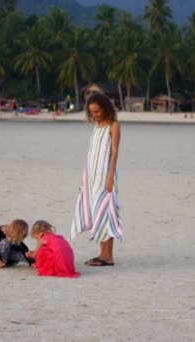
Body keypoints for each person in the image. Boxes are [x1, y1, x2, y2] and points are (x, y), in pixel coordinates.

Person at [70, 93, 123, 267]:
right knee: (97, 214)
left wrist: (110, 176)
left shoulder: (113, 125)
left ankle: (108, 256)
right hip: (92, 176)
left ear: (105, 108)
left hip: (104, 176)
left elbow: (114, 152)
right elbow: (92, 154)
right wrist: (85, 178)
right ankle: (102, 254)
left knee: (106, 213)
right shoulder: (96, 126)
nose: (95, 115)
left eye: (97, 111)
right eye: (92, 112)